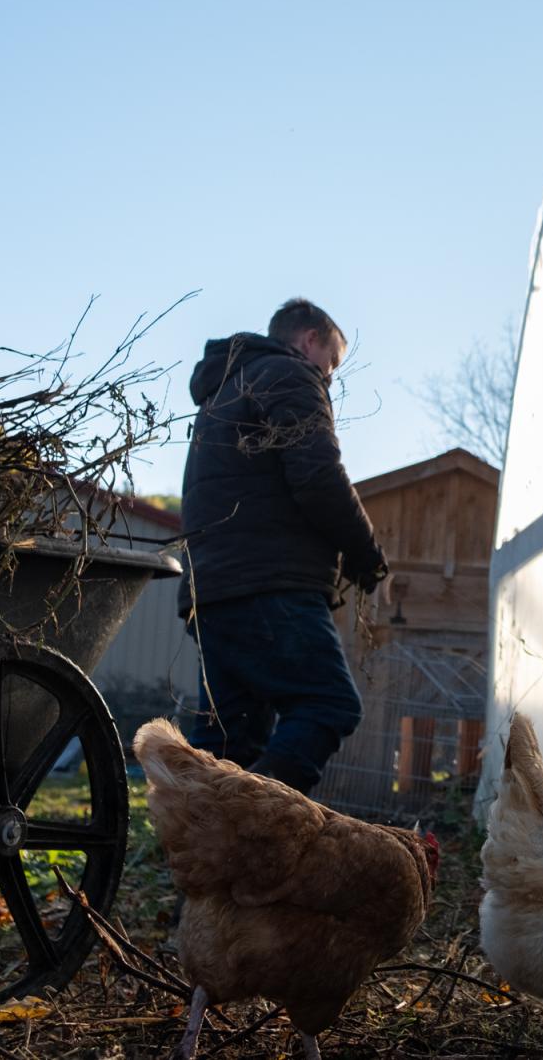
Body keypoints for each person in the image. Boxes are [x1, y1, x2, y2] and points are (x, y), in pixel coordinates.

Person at [177, 298, 389, 794]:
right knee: (328, 703)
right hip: (266, 583)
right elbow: (318, 475)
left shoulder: (226, 390)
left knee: (229, 740)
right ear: (309, 340)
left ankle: (202, 856)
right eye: (332, 362)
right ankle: (257, 826)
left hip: (212, 589)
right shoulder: (289, 376)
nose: (331, 377)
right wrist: (365, 554)